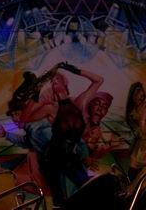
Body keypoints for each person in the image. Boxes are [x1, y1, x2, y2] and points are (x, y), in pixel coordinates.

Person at [42, 61, 104, 206]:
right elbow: (26, 117)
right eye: (52, 81)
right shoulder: (51, 108)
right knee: (58, 199)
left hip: (71, 157)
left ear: (65, 82)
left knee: (88, 189)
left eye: (57, 79)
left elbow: (99, 80)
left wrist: (73, 69)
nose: (54, 82)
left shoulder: (78, 102)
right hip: (52, 157)